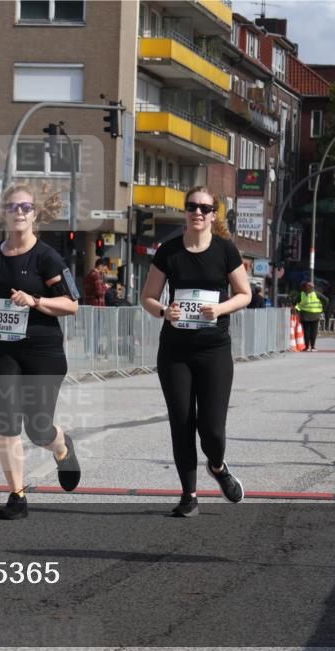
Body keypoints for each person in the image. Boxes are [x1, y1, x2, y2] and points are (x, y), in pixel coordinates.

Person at [0, 183, 81, 520]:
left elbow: (72, 305)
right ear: (4, 214)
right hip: (0, 348)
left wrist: (36, 300)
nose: (20, 213)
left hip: (42, 350)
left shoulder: (48, 257)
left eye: (26, 207)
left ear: (35, 214)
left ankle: (61, 445)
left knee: (38, 428)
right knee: (7, 422)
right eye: (13, 207)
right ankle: (17, 495)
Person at [139, 186, 252, 518]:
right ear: (185, 212)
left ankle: (217, 466)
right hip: (175, 350)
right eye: (192, 207)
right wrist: (163, 311)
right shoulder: (169, 251)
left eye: (205, 208)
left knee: (213, 429)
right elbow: (148, 297)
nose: (198, 213)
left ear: (213, 214)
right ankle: (189, 495)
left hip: (214, 348)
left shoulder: (225, 251)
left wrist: (220, 310)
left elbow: (244, 294)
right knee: (182, 421)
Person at [295, 282, 328, 351]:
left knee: (306, 331)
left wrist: (297, 309)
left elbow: (295, 302)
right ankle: (312, 347)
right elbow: (326, 300)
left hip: (305, 315)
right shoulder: (316, 293)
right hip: (315, 315)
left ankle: (307, 347)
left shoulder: (302, 294)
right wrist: (323, 309)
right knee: (313, 331)